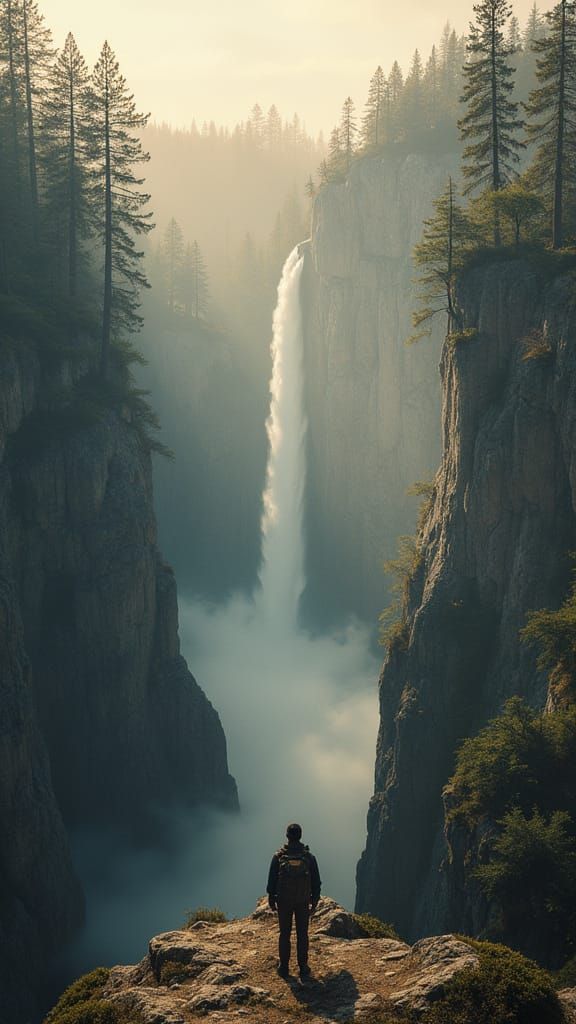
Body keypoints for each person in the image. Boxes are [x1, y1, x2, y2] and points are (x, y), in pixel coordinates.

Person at [267, 823, 321, 979]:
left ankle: (284, 967)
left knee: (284, 933)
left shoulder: (278, 857)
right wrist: (315, 899)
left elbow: (272, 880)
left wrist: (272, 898)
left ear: (287, 836)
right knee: (302, 934)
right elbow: (316, 881)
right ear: (300, 836)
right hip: (303, 900)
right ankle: (303, 967)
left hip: (284, 901)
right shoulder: (309, 857)